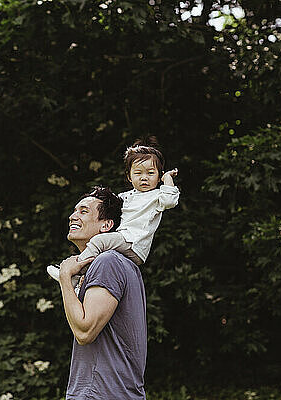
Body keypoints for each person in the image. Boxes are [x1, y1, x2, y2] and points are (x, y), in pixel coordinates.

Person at [47, 137, 179, 290]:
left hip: (134, 242)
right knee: (99, 251)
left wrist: (167, 179)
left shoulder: (156, 197)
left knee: (98, 242)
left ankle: (73, 274)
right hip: (123, 239)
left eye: (150, 173)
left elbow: (170, 200)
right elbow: (108, 206)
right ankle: (81, 280)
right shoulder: (126, 196)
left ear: (158, 176)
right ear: (129, 177)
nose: (144, 177)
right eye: (138, 173)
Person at [57, 186, 147, 399]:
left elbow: (85, 332)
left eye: (84, 211)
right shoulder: (116, 264)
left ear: (106, 225)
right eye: (75, 210)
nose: (73, 216)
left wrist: (64, 278)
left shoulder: (107, 262)